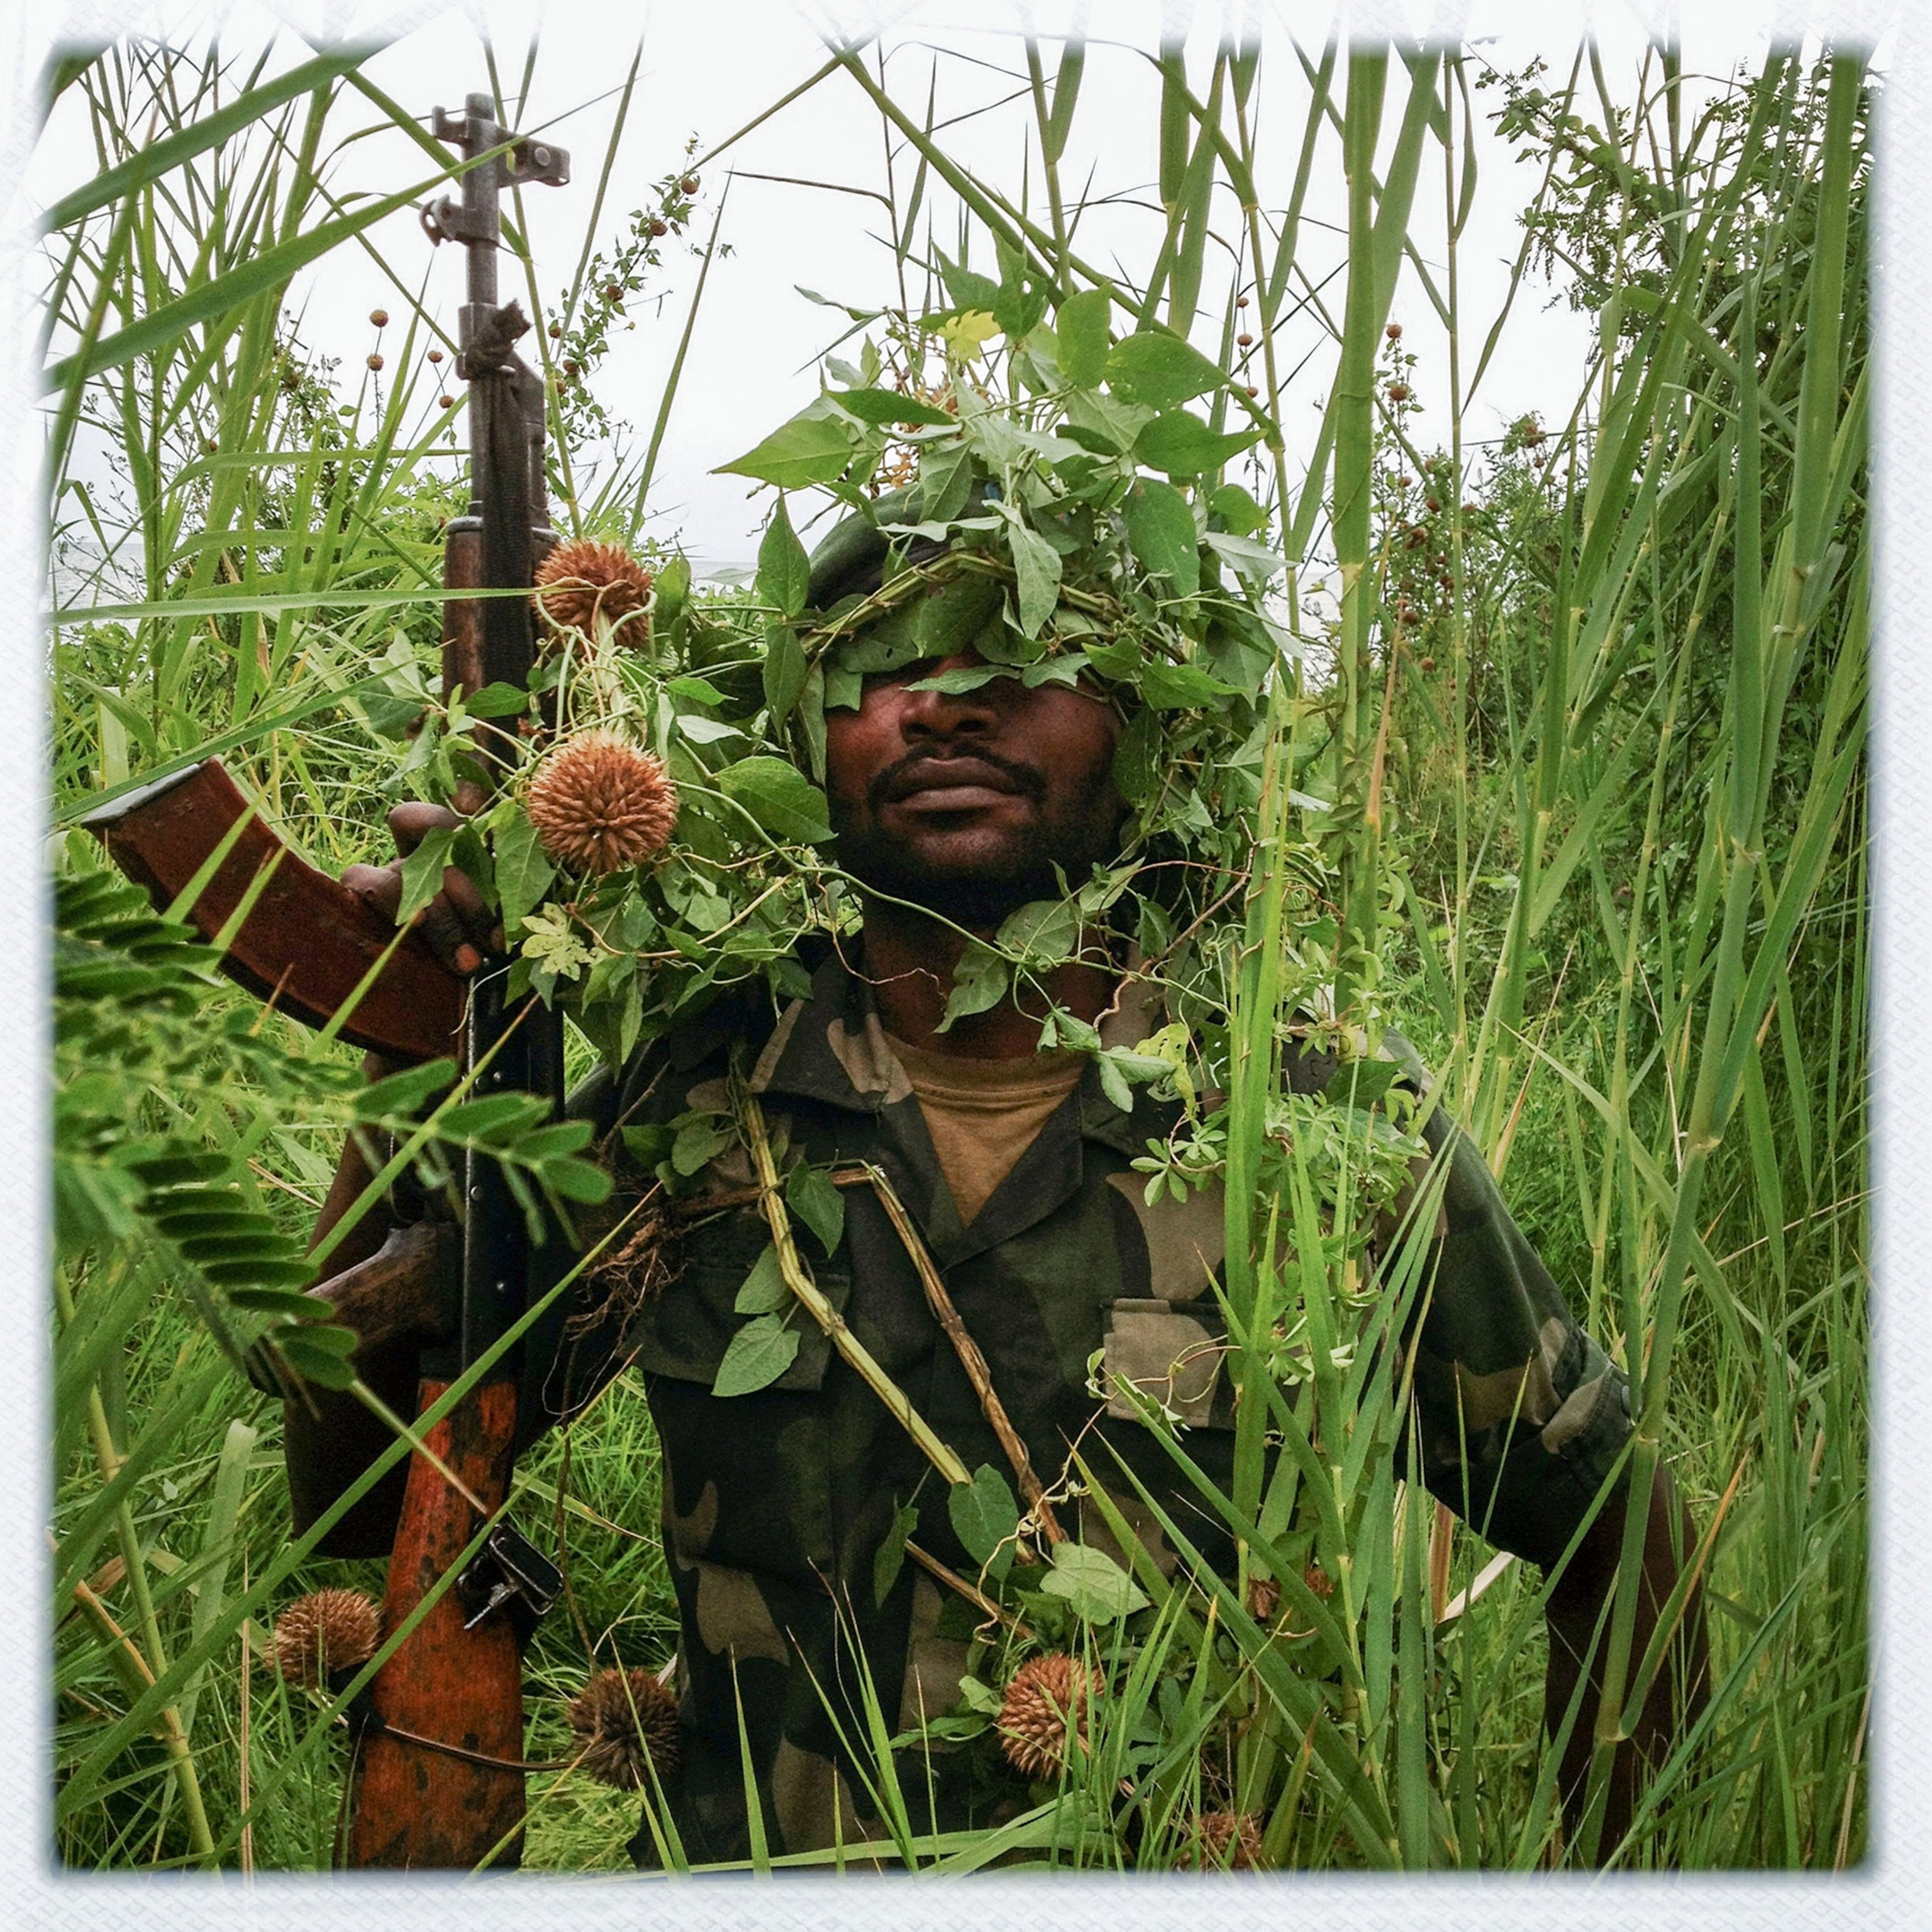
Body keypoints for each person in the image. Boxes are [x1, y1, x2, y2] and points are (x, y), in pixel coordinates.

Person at [287, 505, 1708, 1869]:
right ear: (802, 730)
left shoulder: (1313, 1112)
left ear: (1153, 721)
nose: (944, 706)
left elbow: (1605, 1519)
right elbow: (369, 1490)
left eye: (1022, 651)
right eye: (880, 663)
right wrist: (411, 1039)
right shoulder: (702, 1096)